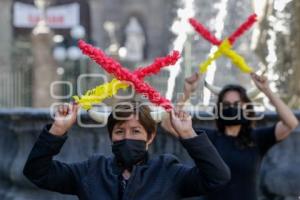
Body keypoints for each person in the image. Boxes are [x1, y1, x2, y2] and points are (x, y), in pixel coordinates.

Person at [23, 100, 230, 200]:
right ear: (111, 136)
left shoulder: (168, 171)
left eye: (136, 131)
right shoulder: (91, 170)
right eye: (119, 131)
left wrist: (188, 134)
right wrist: (57, 130)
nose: (127, 137)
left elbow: (217, 177)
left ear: (150, 137)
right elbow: (37, 172)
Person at [161, 72, 299, 200]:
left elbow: (291, 123)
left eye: (237, 104)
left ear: (247, 108)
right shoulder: (206, 138)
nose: (232, 108)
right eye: (226, 104)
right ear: (219, 108)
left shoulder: (257, 138)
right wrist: (186, 92)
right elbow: (168, 124)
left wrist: (267, 90)